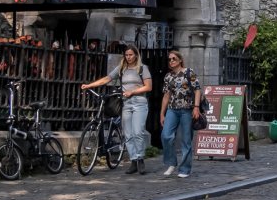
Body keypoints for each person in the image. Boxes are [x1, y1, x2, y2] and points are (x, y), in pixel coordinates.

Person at [81, 44, 152, 174]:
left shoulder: (142, 68)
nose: (129, 57)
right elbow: (107, 78)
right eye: (126, 55)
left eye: (131, 55)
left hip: (139, 102)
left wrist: (133, 92)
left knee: (138, 132)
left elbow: (148, 87)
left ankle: (140, 158)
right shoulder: (122, 68)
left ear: (136, 55)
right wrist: (89, 85)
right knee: (127, 134)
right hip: (126, 103)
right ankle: (133, 160)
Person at [157, 49, 200, 178]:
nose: (171, 61)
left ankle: (185, 169)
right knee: (166, 136)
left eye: (174, 59)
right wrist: (162, 113)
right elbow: (166, 95)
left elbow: (197, 89)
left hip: (187, 109)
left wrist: (196, 107)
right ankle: (171, 162)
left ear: (180, 60)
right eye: (169, 59)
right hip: (172, 109)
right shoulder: (168, 76)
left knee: (186, 140)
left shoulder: (188, 72)